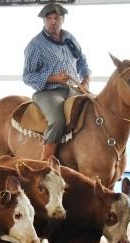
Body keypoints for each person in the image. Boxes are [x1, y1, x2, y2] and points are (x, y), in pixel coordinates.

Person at [23, 2, 91, 161]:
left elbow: (82, 61)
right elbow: (27, 76)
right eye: (49, 18)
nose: (53, 21)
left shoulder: (70, 38)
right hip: (48, 92)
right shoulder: (36, 45)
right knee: (58, 121)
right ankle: (46, 162)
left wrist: (86, 79)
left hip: (73, 88)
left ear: (63, 19)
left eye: (57, 18)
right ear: (44, 21)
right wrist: (53, 78)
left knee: (94, 108)